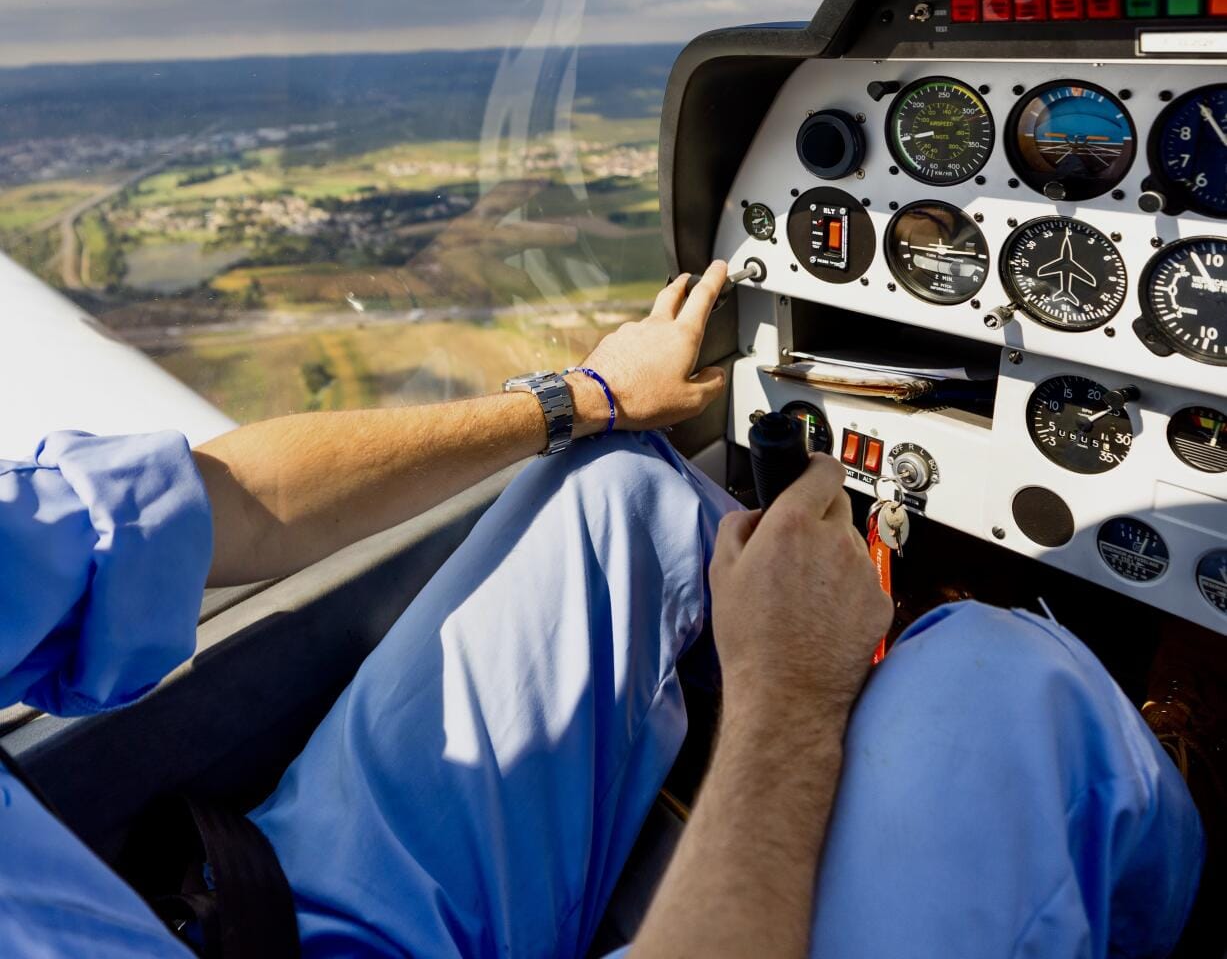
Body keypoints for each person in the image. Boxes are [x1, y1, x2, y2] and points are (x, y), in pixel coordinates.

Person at [0, 261, 1204, 959]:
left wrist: (583, 395)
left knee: (617, 485)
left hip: (249, 935)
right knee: (999, 677)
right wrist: (788, 697)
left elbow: (207, 508)